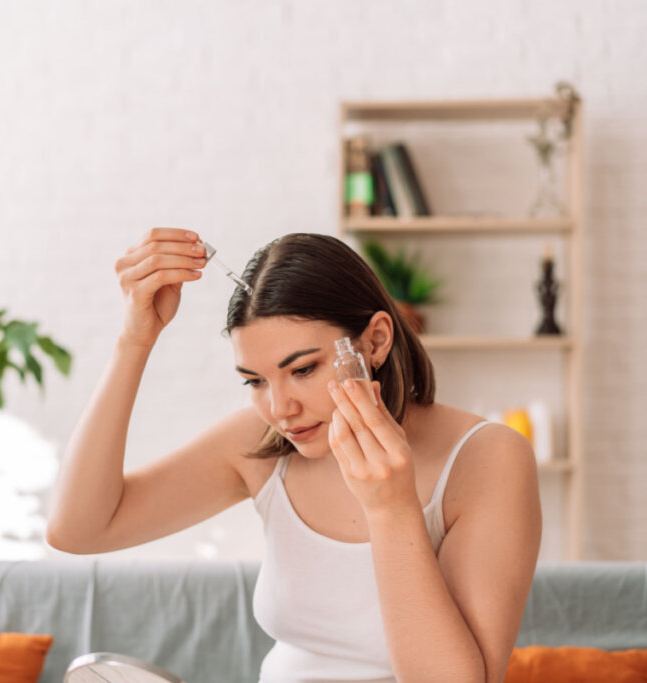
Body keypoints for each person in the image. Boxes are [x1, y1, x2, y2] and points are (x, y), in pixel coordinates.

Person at [47, 228, 541, 683]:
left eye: (303, 369)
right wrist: (135, 340)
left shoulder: (487, 459)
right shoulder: (263, 446)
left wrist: (390, 508)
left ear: (375, 341)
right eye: (255, 381)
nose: (281, 409)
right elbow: (79, 530)